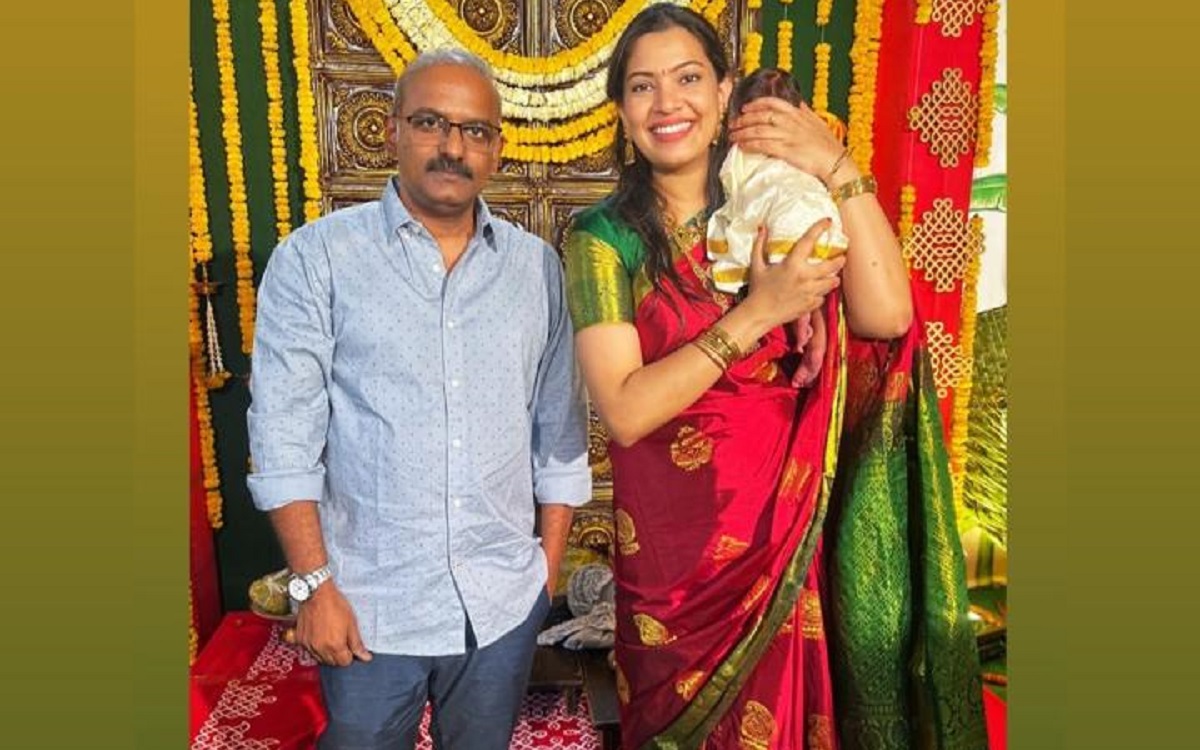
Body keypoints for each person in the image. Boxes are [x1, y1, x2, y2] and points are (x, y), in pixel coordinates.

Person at [561, 5, 987, 749]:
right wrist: (762, 310)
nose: (666, 104)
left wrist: (837, 166)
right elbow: (625, 411)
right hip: (673, 571)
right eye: (642, 86)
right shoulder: (604, 238)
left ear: (726, 91)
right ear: (621, 109)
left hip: (782, 534)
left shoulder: (778, 196)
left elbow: (887, 316)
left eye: (688, 78)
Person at [246, 49, 592, 750]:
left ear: (496, 147)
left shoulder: (535, 269)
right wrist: (314, 587)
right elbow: (283, 440)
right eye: (432, 123)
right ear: (394, 130)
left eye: (474, 130)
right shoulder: (317, 259)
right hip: (367, 604)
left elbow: (559, 431)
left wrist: (542, 577)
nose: (453, 147)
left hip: (499, 605)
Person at [707, 66, 849, 388]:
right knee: (808, 295)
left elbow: (733, 184)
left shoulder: (741, 153)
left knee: (796, 288)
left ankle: (807, 338)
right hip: (806, 213)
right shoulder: (801, 150)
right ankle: (811, 341)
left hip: (789, 214)